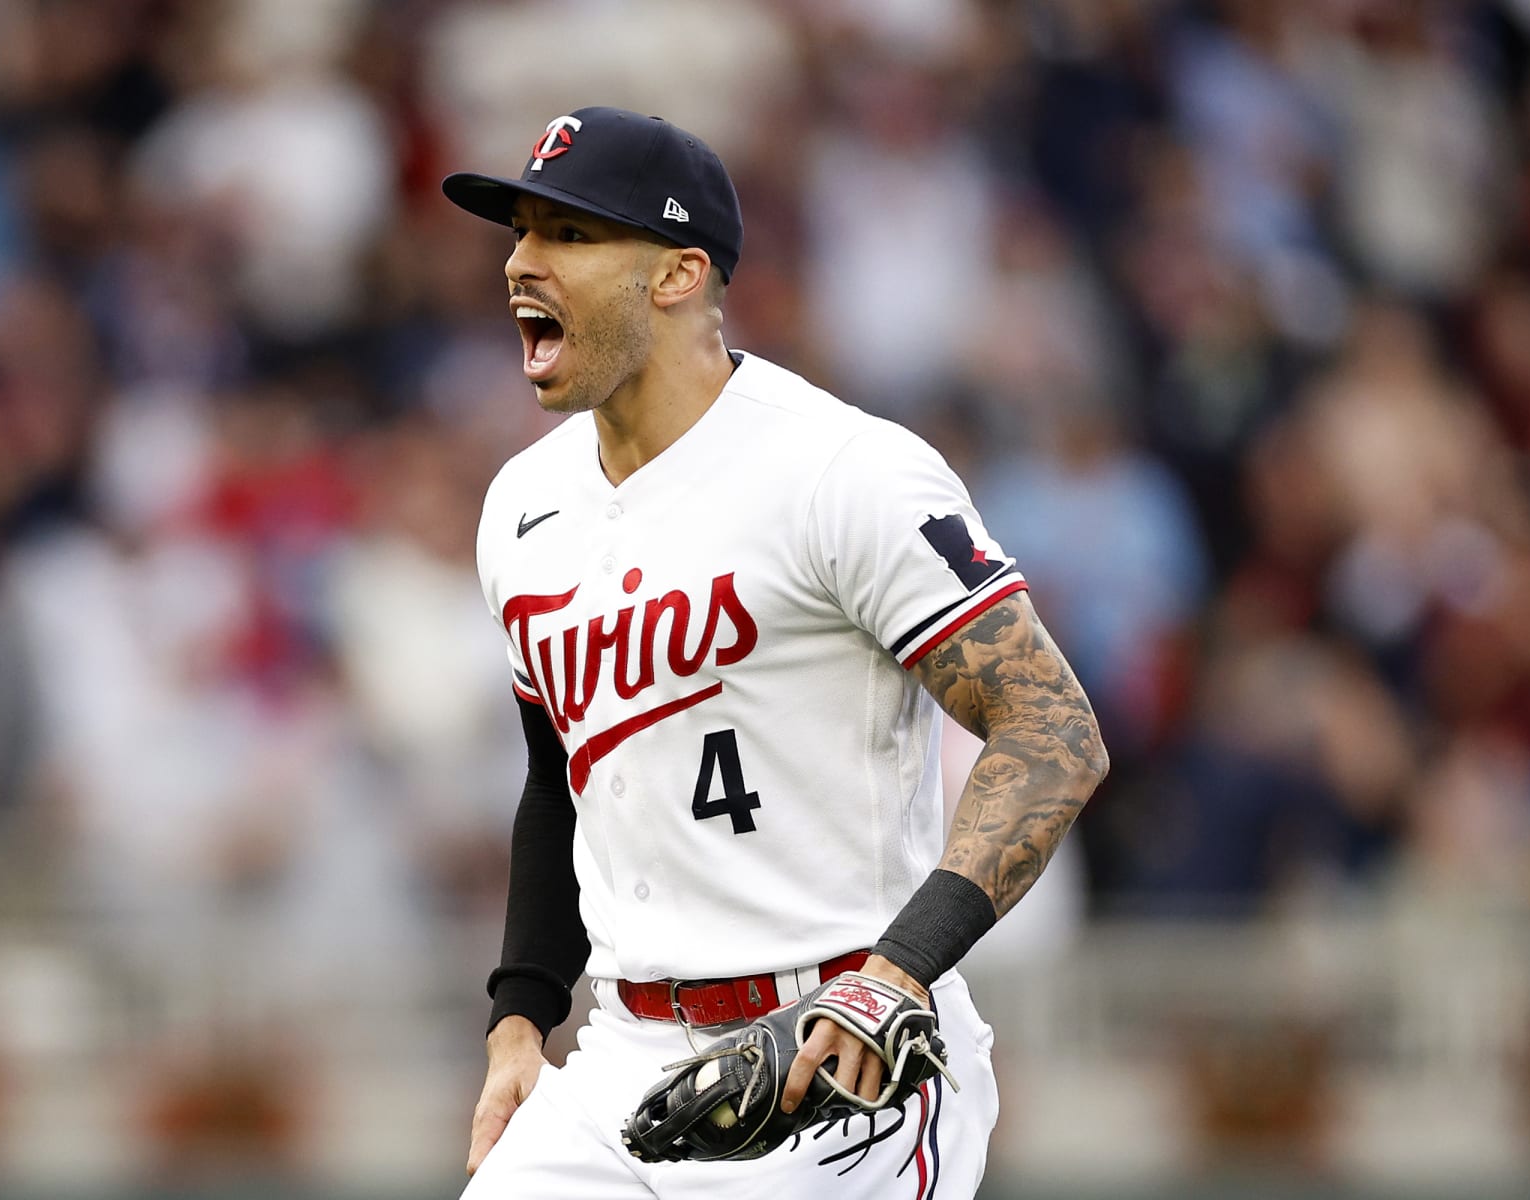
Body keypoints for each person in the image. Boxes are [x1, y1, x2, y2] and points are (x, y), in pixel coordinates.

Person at [442, 106, 1109, 1199]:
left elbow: (1053, 734)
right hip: (621, 1052)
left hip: (837, 1052)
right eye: (518, 231)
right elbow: (559, 781)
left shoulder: (843, 471)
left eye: (567, 236)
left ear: (676, 274)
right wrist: (519, 1019)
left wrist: (898, 973)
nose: (519, 262)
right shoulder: (523, 506)